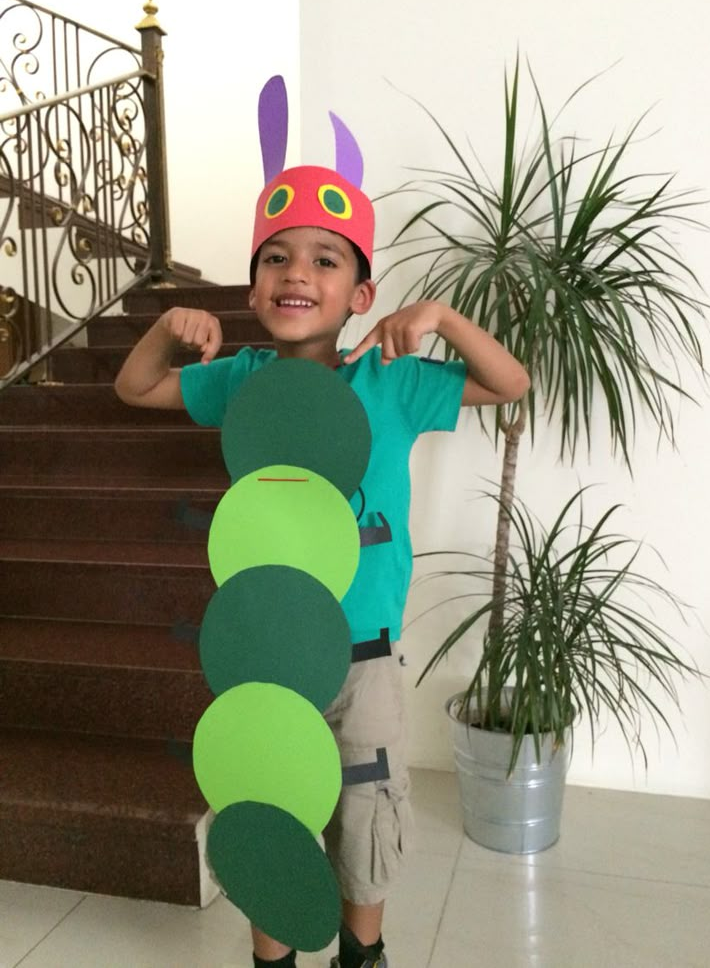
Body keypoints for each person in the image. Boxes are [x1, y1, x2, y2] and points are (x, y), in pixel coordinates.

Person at [115, 155, 529, 968]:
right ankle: (274, 957)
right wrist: (167, 331)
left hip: (364, 654)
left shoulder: (393, 381)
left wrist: (441, 317)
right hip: (267, 650)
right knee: (271, 807)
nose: (296, 271)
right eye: (277, 256)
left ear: (361, 296)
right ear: (252, 287)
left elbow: (508, 381)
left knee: (366, 811)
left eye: (324, 258)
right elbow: (135, 389)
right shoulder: (239, 378)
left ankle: (361, 952)